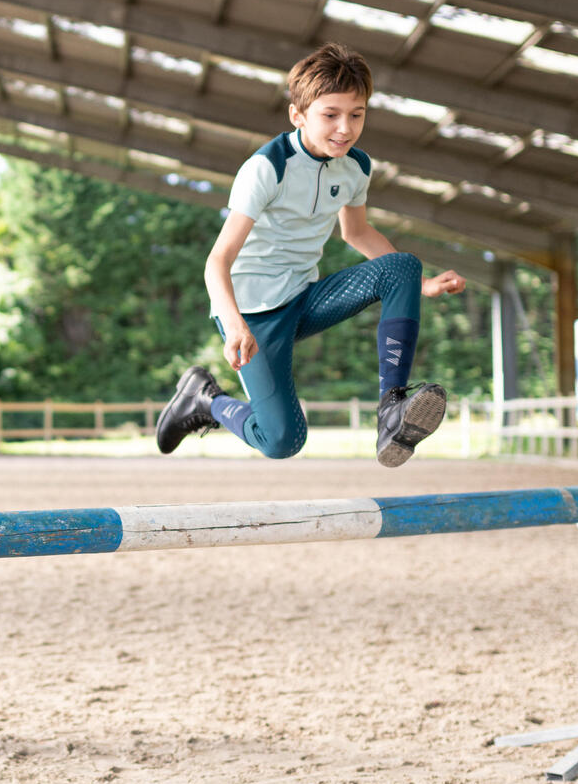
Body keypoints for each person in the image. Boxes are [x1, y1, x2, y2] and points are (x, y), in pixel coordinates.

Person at [155, 43, 466, 466]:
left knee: (403, 266)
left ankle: (392, 407)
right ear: (298, 115)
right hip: (253, 312)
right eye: (331, 115)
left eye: (357, 115)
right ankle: (205, 401)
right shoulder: (267, 168)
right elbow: (217, 261)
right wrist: (233, 326)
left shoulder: (356, 166)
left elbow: (355, 232)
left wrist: (422, 284)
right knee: (282, 440)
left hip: (305, 297)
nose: (345, 128)